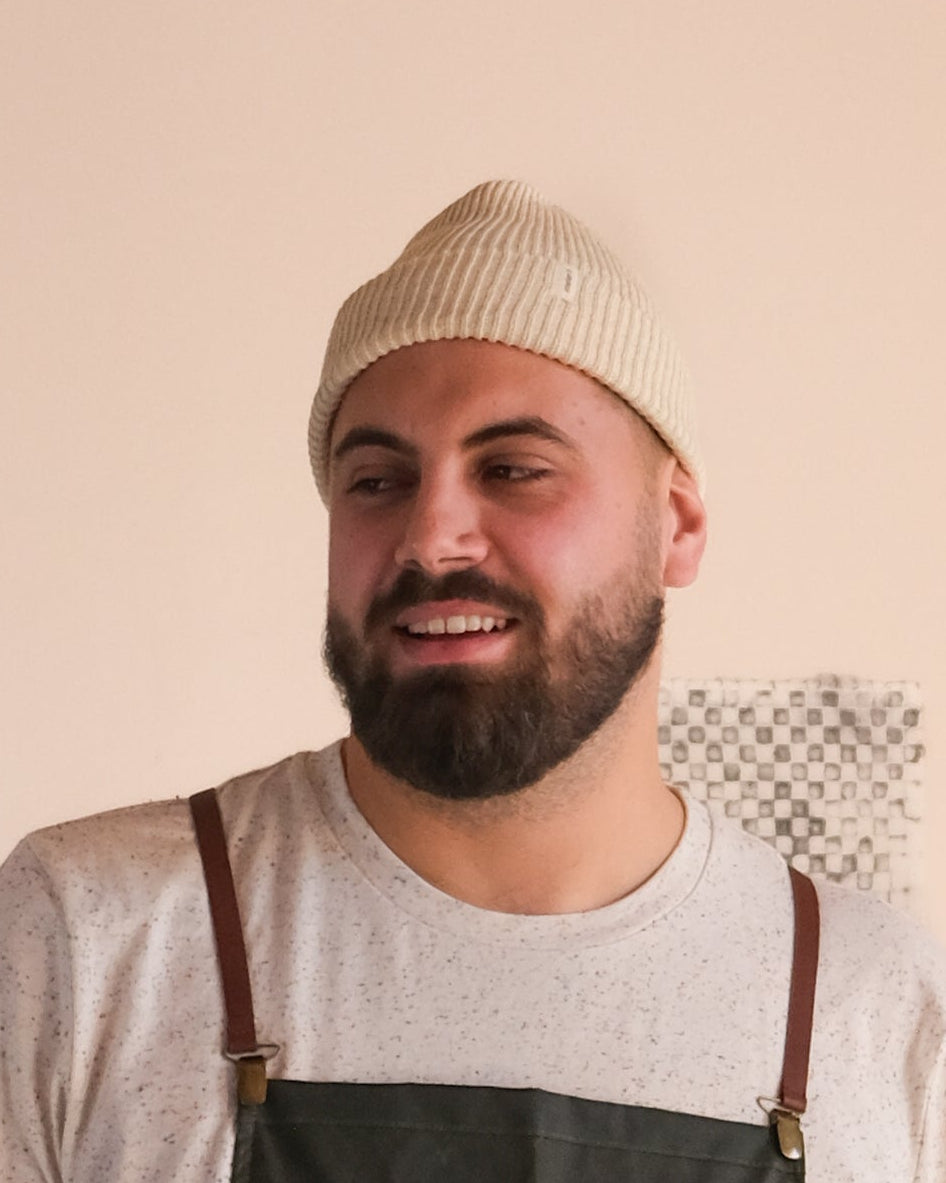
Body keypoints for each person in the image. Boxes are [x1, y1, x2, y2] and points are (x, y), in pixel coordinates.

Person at [1, 180, 944, 1182]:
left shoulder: (877, 1012)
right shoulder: (86, 938)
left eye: (513, 469)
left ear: (677, 525)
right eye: (377, 480)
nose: (429, 537)